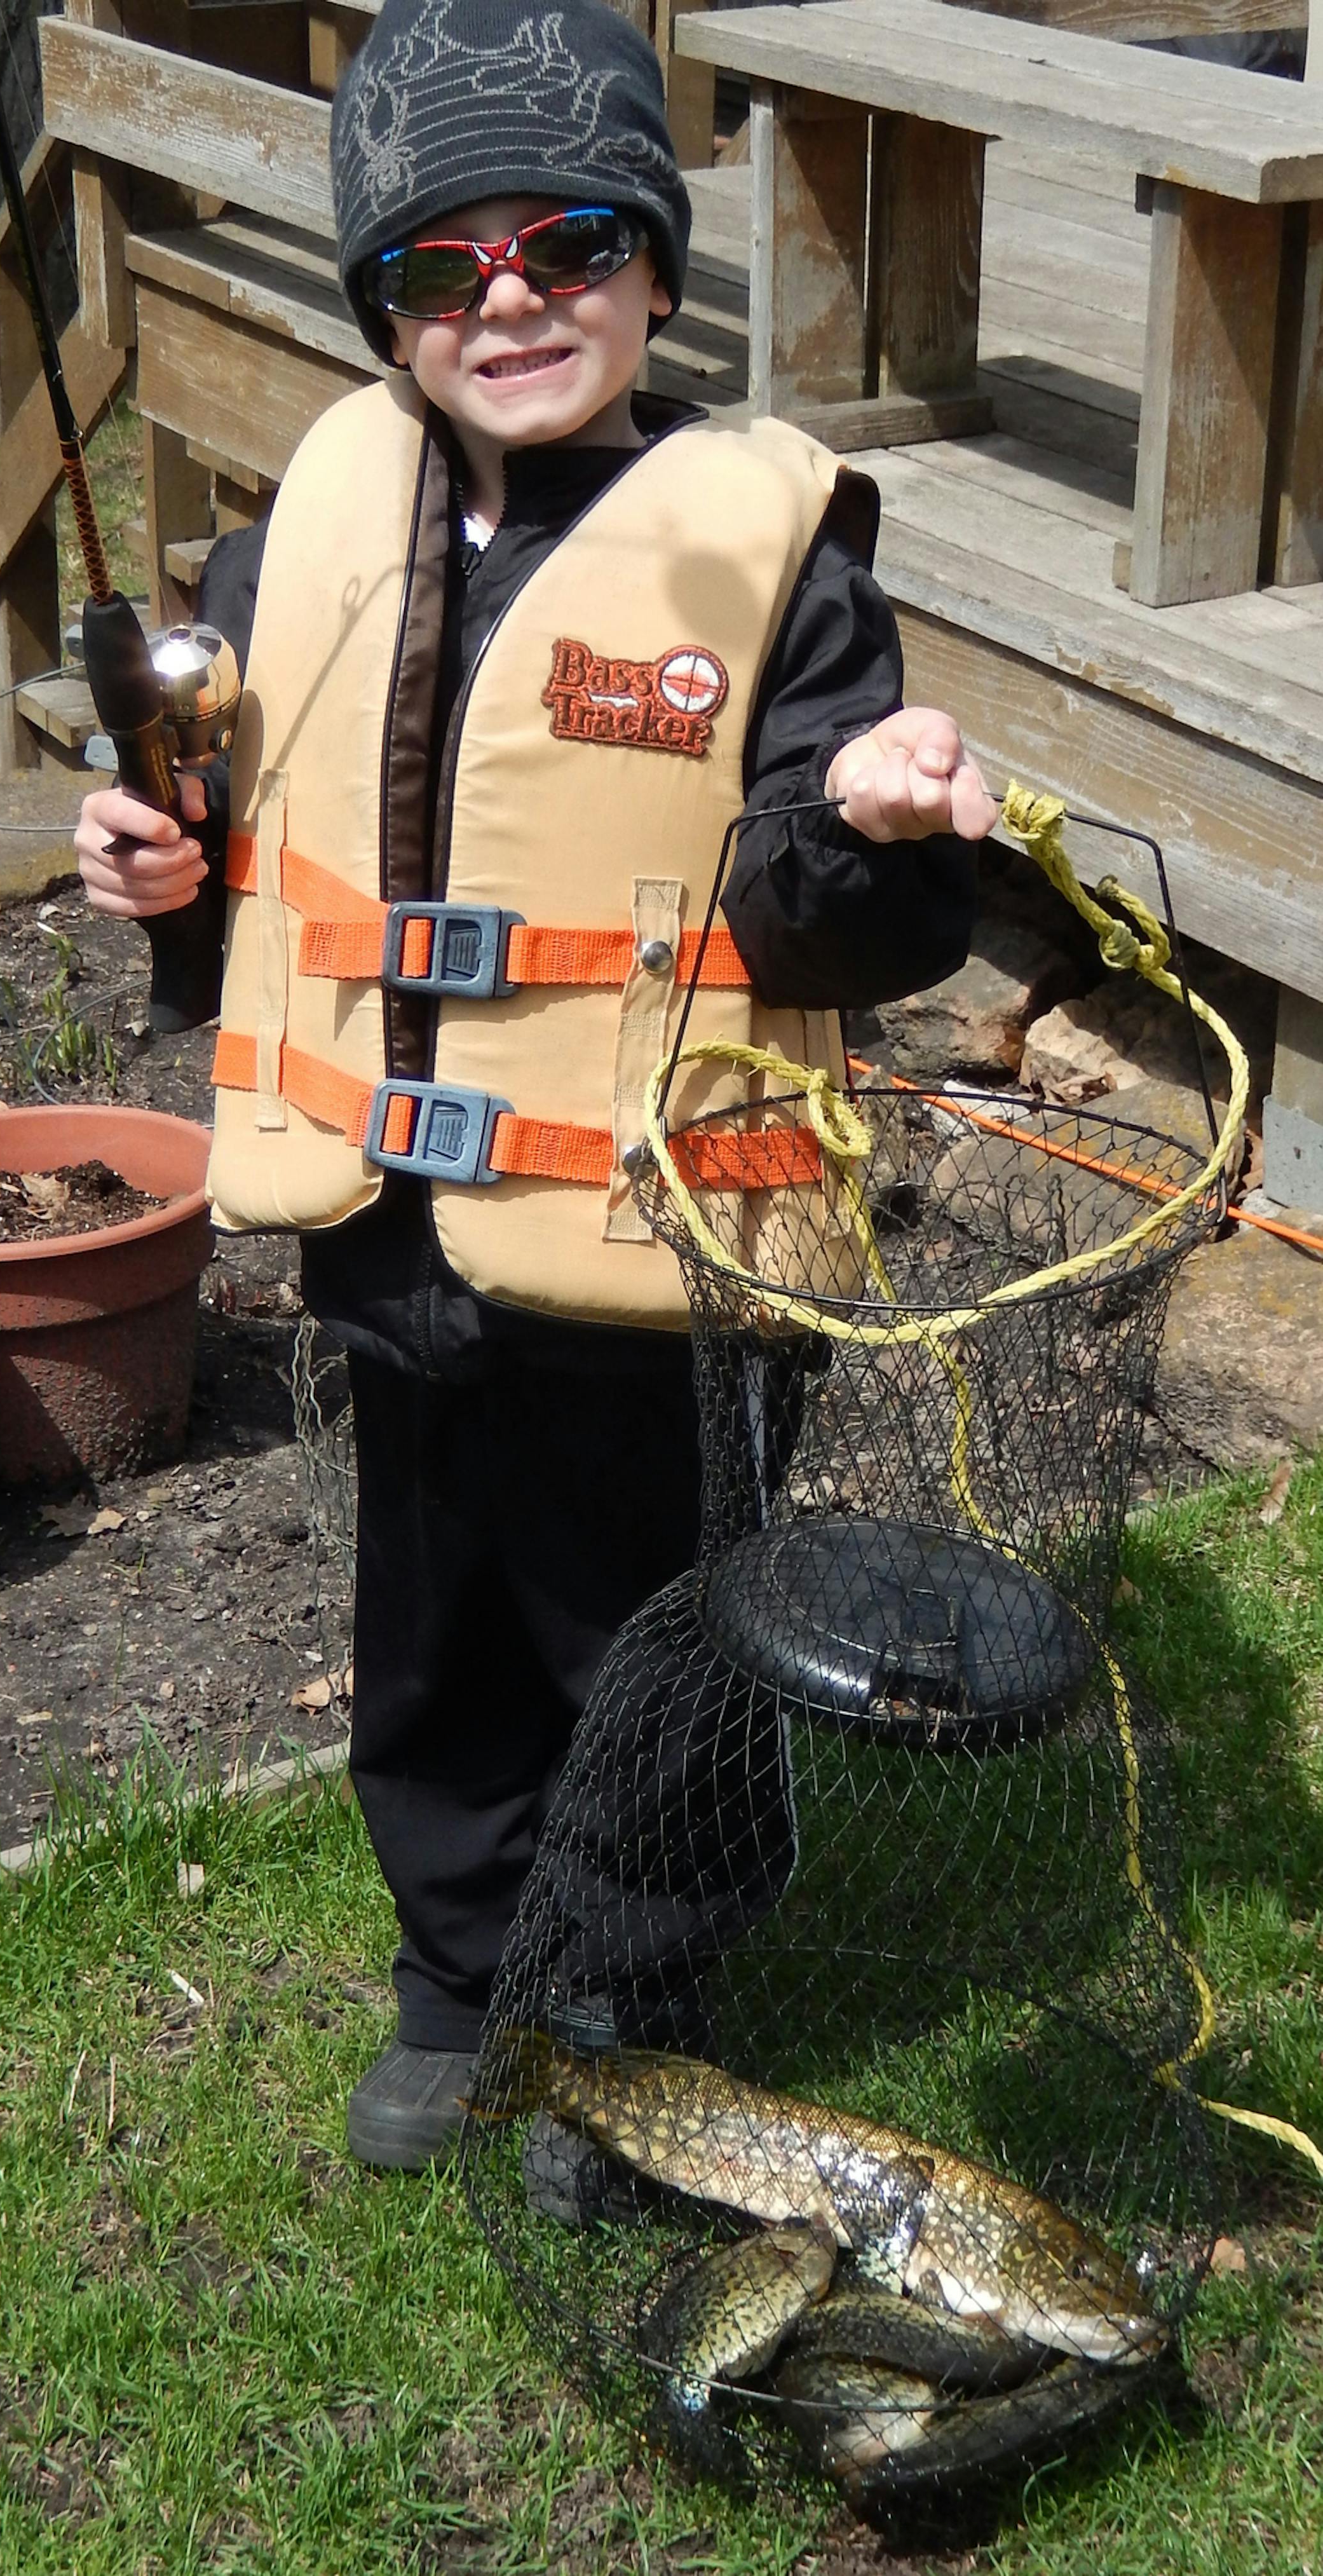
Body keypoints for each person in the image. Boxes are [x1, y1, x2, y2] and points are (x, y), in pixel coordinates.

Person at [74, 0, 996, 2178]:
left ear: (657, 273)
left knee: (653, 1662)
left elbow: (817, 913)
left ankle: (626, 2012)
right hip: (392, 1236)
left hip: (663, 1247)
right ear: (382, 308)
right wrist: (165, 874)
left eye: (571, 244)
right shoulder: (290, 544)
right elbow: (255, 870)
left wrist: (874, 820)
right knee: (434, 1635)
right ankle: (458, 1970)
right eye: (440, 265)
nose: (509, 302)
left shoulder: (775, 559)